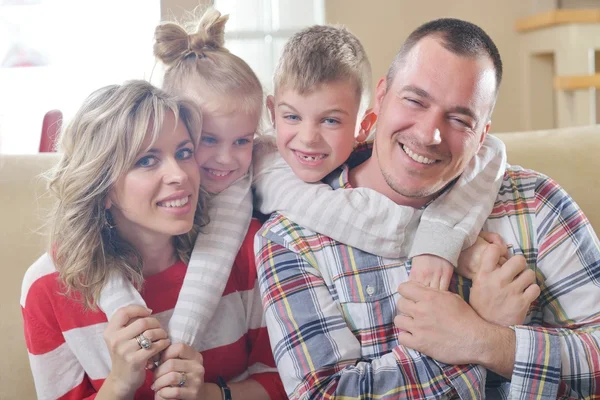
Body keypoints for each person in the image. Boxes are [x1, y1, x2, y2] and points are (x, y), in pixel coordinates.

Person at [256, 18, 600, 399]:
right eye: (415, 100)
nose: (428, 134)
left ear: (483, 134)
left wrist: (493, 342)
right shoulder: (291, 239)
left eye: (459, 119)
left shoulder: (534, 202)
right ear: (382, 96)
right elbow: (324, 394)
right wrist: (473, 336)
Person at [21, 80, 284, 399]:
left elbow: (288, 382)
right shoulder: (47, 286)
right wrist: (118, 383)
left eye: (184, 152)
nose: (181, 174)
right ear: (103, 189)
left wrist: (207, 395)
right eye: (147, 160)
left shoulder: (250, 248)